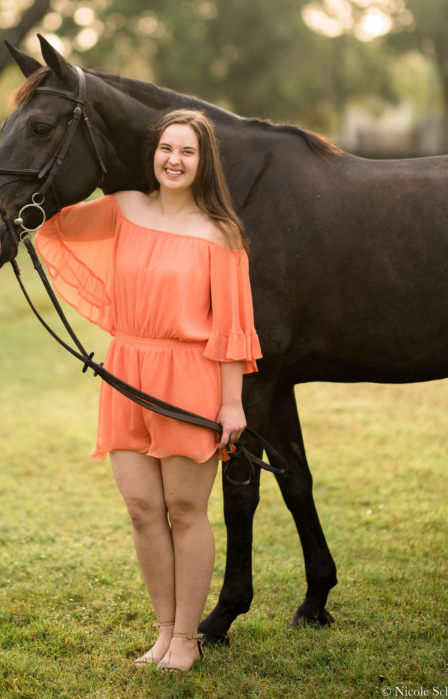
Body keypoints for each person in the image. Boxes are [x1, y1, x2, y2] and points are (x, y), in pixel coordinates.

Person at [35, 108, 261, 671]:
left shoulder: (221, 233)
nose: (174, 160)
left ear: (204, 162)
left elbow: (234, 328)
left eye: (187, 151)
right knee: (141, 509)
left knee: (185, 510)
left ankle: (187, 638)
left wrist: (232, 403)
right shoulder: (124, 208)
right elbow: (49, 221)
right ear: (153, 154)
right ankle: (163, 632)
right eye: (166, 148)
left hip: (190, 380)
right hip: (127, 370)